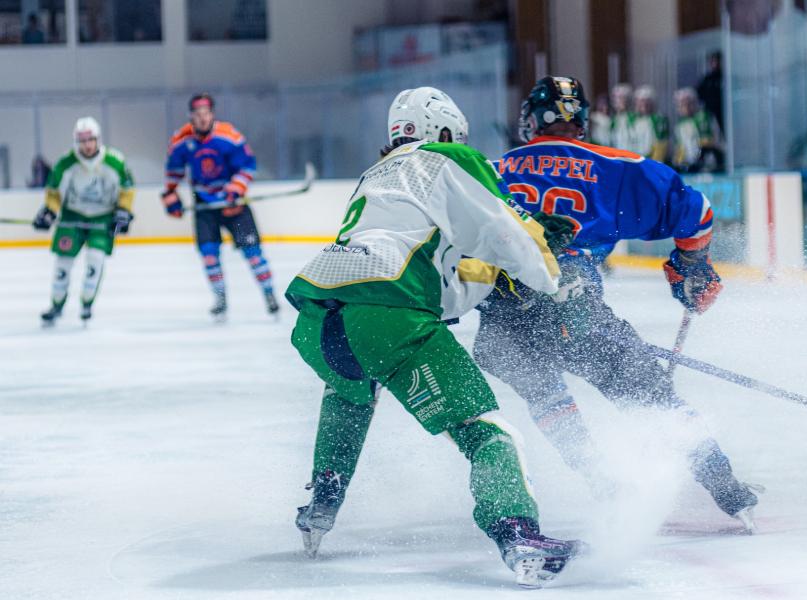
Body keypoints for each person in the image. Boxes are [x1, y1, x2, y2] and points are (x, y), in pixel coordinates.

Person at [284, 87, 583, 588]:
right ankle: (517, 531)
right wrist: (548, 280)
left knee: (352, 388)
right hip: (387, 314)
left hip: (320, 315)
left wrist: (490, 274)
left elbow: (436, 283)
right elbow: (506, 228)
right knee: (488, 432)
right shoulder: (446, 158)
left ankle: (323, 500)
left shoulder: (374, 177)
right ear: (443, 132)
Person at [478, 76, 760, 531]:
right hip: (576, 312)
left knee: (546, 394)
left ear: (533, 120)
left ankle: (602, 483)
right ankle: (724, 485)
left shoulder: (490, 171)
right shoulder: (616, 165)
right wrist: (693, 267)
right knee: (650, 395)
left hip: (502, 322)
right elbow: (698, 212)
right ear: (581, 121)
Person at [161, 93, 278, 320]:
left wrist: (236, 189)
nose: (202, 119)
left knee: (253, 254)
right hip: (204, 203)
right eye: (197, 115)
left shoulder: (229, 137)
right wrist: (170, 194)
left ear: (212, 114)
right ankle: (220, 299)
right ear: (191, 117)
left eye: (206, 114)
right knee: (209, 255)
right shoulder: (181, 140)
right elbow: (173, 170)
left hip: (233, 203)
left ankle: (269, 294)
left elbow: (247, 166)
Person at [32, 117, 135, 325]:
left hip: (103, 218)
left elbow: (127, 189)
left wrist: (123, 211)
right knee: (63, 264)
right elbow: (53, 192)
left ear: (98, 139)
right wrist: (50, 212)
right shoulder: (65, 163)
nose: (86, 145)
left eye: (90, 140)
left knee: (95, 261)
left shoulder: (115, 161)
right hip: (72, 217)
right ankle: (56, 305)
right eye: (81, 141)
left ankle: (87, 303)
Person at [671, 87, 724, 172]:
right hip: (690, 164)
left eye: (689, 103)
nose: (686, 107)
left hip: (708, 162)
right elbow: (680, 147)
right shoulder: (680, 125)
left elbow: (708, 142)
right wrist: (678, 161)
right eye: (682, 104)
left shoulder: (704, 117)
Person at [632, 85, 670, 162]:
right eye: (641, 101)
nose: (644, 104)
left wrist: (654, 163)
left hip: (652, 161)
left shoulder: (659, 119)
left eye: (647, 101)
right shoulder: (635, 120)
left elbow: (661, 143)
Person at [696, 51, 724, 134]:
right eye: (713, 61)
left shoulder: (725, 77)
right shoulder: (707, 79)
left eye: (717, 61)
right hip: (709, 111)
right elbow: (698, 94)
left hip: (723, 111)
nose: (715, 63)